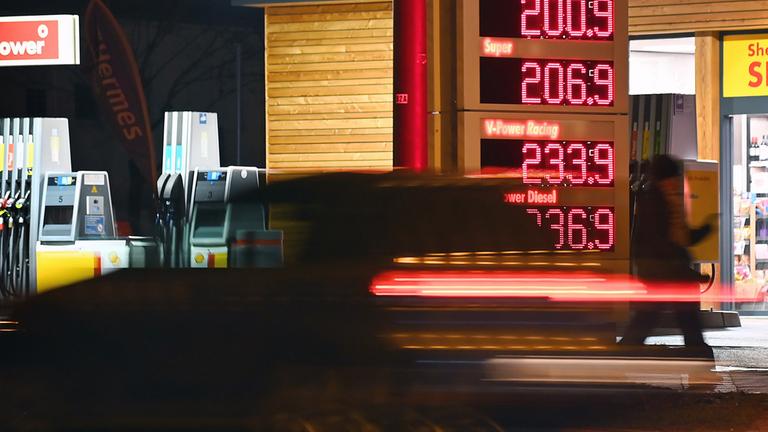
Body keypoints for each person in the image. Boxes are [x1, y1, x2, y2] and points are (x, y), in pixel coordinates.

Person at [619, 155, 715, 352]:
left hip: (660, 269)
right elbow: (663, 243)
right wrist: (689, 273)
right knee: (679, 314)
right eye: (673, 178)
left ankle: (628, 348)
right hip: (661, 270)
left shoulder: (664, 199)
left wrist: (705, 229)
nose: (676, 183)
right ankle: (696, 350)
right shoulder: (656, 202)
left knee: (653, 315)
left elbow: (679, 238)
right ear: (665, 179)